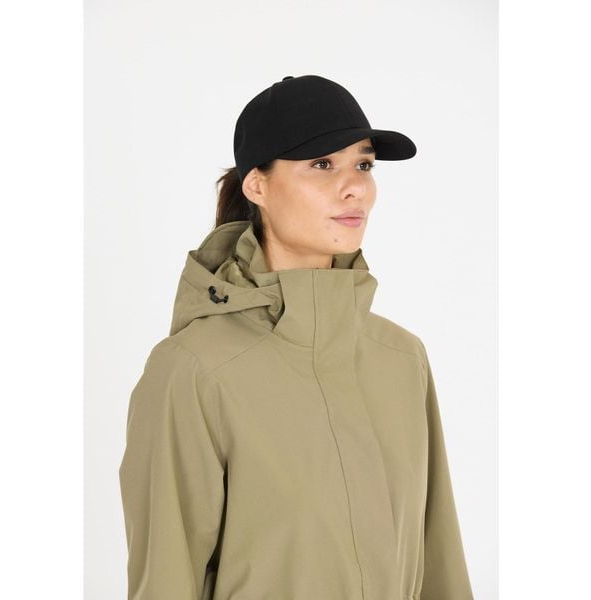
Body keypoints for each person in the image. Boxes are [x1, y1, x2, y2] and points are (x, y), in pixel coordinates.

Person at [119, 74, 474, 600]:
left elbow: (438, 557)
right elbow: (166, 580)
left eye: (364, 165)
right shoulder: (194, 370)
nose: (354, 187)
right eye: (322, 164)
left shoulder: (401, 358)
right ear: (256, 186)